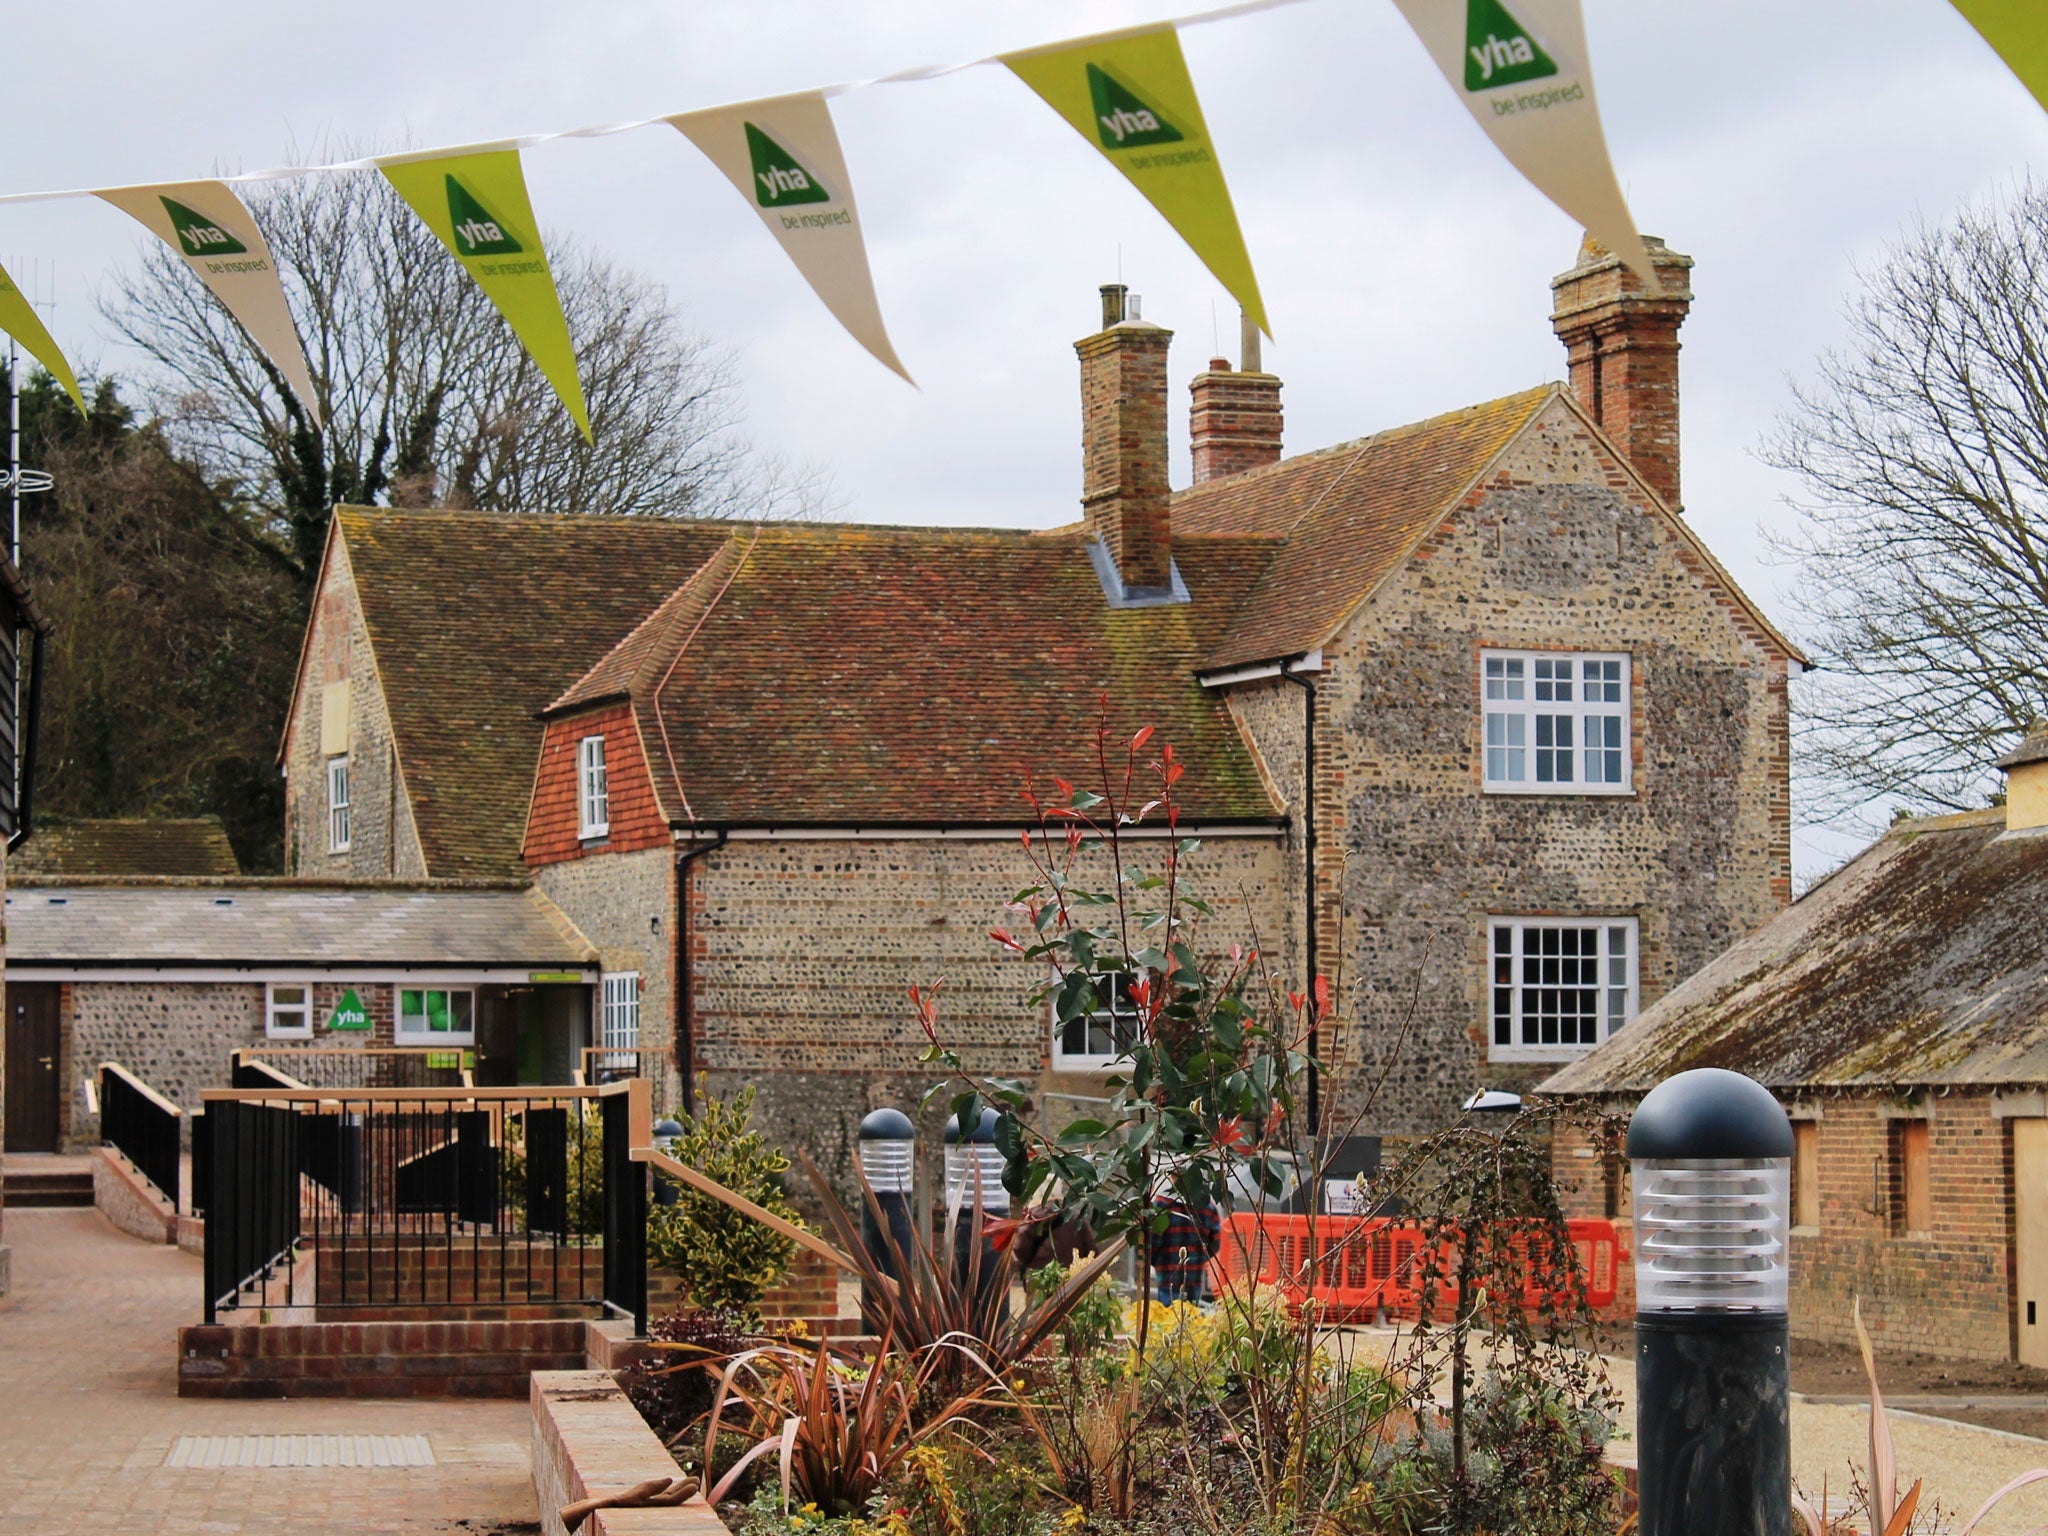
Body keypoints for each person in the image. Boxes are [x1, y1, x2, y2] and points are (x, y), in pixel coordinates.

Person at [1152, 1192, 1222, 1304]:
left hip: (1167, 1277)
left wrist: (1156, 1262)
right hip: (1194, 1279)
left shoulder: (1162, 1204)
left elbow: (1153, 1242)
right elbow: (1215, 1243)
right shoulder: (1207, 1205)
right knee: (1191, 1316)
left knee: (1166, 1317)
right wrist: (1199, 1260)